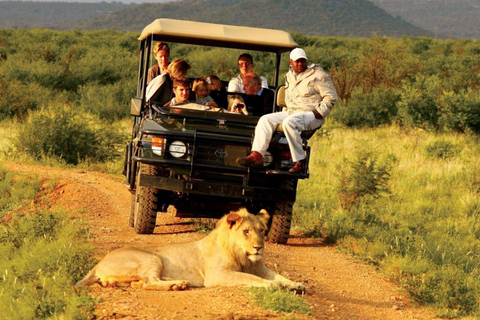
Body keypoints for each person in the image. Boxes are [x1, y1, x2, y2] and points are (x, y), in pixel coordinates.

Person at [236, 48, 338, 173]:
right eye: (297, 61)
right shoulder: (289, 76)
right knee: (265, 119)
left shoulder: (319, 75)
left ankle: (300, 162)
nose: (300, 64)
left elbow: (331, 97)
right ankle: (257, 155)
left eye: (302, 61)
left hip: (310, 113)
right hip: (292, 112)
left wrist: (320, 112)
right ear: (291, 62)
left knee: (289, 122)